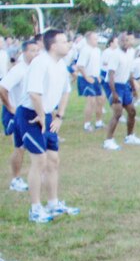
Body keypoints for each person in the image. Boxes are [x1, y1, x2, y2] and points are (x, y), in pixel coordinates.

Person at [15, 28, 80, 223]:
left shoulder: (60, 64)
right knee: (40, 161)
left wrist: (59, 116)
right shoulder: (40, 63)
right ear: (53, 45)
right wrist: (42, 116)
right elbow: (34, 93)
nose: (68, 44)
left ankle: (53, 204)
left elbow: (66, 91)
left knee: (53, 161)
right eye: (64, 41)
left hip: (47, 115)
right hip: (30, 115)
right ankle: (35, 209)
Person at [0, 38, 41, 193]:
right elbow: (2, 88)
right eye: (32, 51)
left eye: (37, 50)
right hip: (17, 113)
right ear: (24, 52)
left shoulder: (35, 68)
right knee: (20, 147)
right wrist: (10, 107)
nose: (35, 54)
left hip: (28, 112)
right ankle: (15, 179)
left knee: (30, 147)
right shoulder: (19, 70)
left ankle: (35, 175)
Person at [102, 33, 140, 151]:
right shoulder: (115, 55)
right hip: (114, 85)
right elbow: (111, 75)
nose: (125, 42)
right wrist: (114, 93)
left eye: (127, 40)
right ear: (118, 42)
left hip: (124, 85)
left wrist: (133, 88)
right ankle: (108, 141)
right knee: (118, 113)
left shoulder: (130, 53)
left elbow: (129, 73)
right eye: (123, 40)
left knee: (132, 111)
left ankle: (130, 136)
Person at [74, 31, 104, 132]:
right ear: (89, 40)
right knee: (91, 101)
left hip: (95, 78)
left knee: (100, 100)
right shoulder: (85, 50)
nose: (97, 40)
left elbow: (98, 65)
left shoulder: (97, 50)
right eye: (95, 39)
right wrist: (86, 77)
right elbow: (80, 66)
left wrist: (98, 76)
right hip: (86, 78)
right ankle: (87, 124)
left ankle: (99, 122)